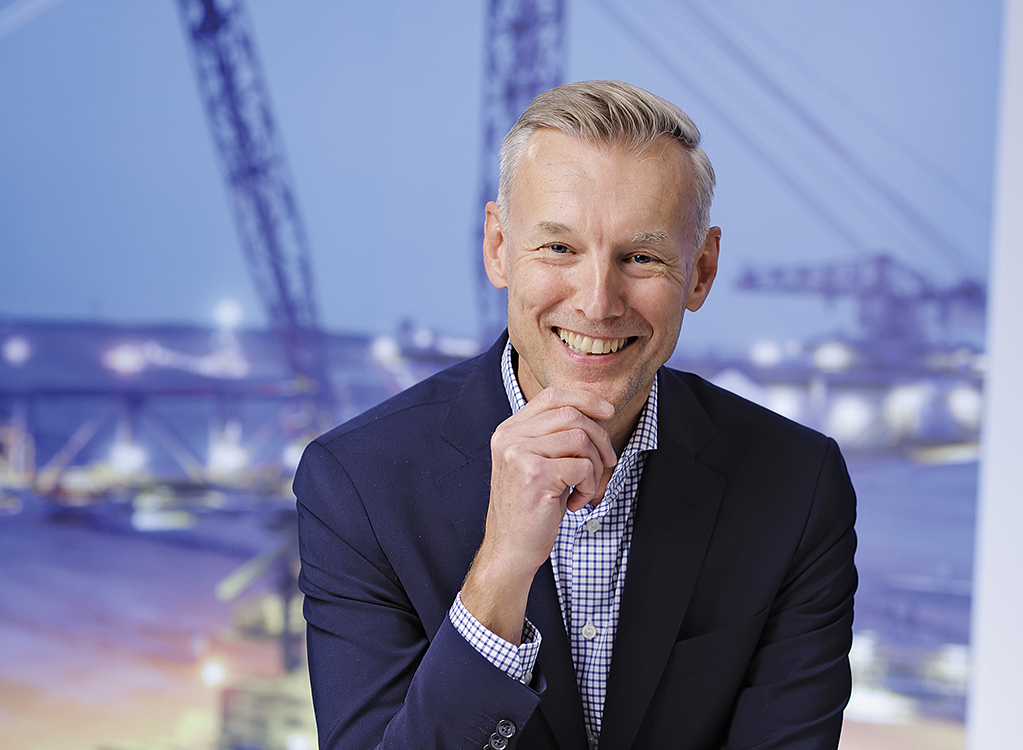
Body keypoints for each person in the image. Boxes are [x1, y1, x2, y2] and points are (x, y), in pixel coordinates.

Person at [296, 80, 857, 750]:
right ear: (499, 247)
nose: (597, 302)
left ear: (701, 270)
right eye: (559, 248)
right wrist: (502, 565)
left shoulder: (799, 484)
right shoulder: (356, 485)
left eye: (640, 257)